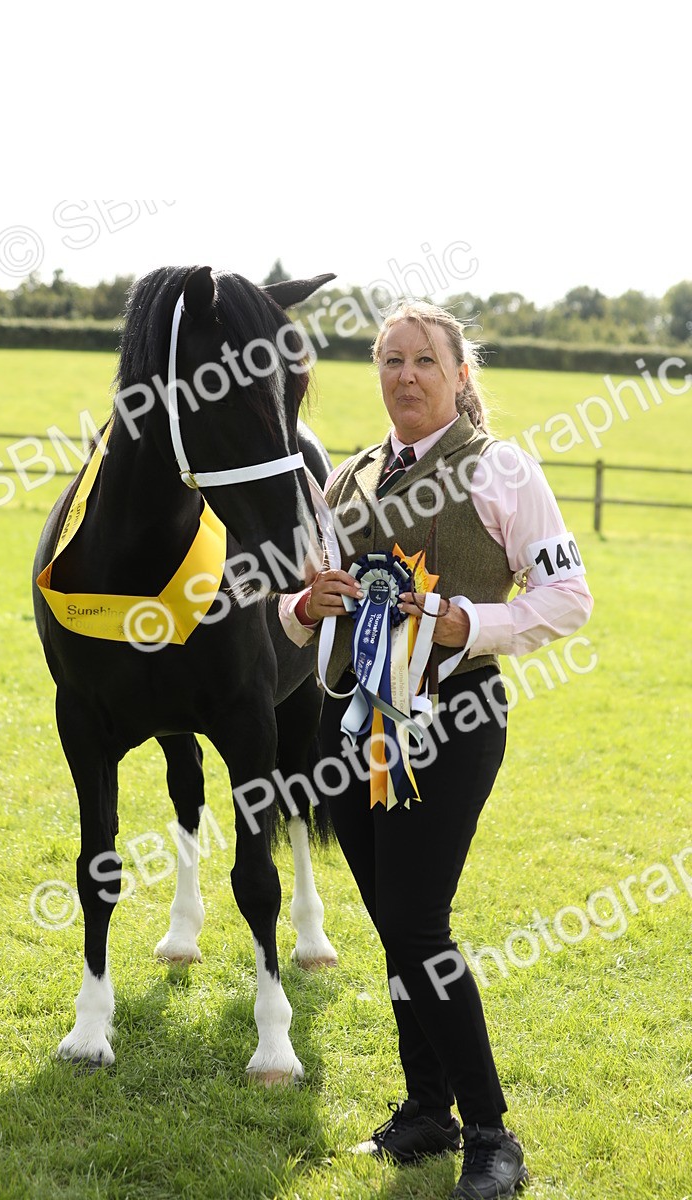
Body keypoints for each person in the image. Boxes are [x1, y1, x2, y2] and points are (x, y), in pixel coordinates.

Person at [279, 301, 593, 1199]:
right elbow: (294, 612)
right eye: (390, 360)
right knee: (394, 928)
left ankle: (493, 1135)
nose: (406, 376)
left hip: (450, 722)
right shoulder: (345, 478)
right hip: (350, 731)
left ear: (461, 375)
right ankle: (425, 1115)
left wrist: (470, 621)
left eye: (424, 360)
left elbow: (569, 597)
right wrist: (306, 608)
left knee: (419, 925)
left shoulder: (503, 468)